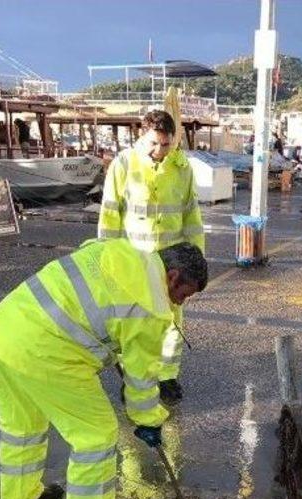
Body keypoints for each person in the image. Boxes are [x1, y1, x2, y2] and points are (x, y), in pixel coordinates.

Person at [0, 240, 207, 499]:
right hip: (47, 351)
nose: (178, 304)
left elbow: (90, 275)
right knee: (96, 434)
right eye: (182, 295)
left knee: (22, 426)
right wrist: (148, 421)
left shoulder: (118, 251)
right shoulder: (151, 307)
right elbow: (142, 380)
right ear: (173, 276)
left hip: (4, 332)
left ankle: (20, 496)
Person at [98, 109, 204, 405]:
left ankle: (167, 377)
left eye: (166, 145)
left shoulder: (182, 168)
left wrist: (195, 262)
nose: (159, 151)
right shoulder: (123, 165)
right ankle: (134, 380)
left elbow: (191, 218)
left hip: (172, 264)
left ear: (173, 141)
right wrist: (107, 262)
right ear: (141, 137)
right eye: (154, 144)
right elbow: (109, 215)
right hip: (134, 263)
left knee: (172, 324)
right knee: (132, 326)